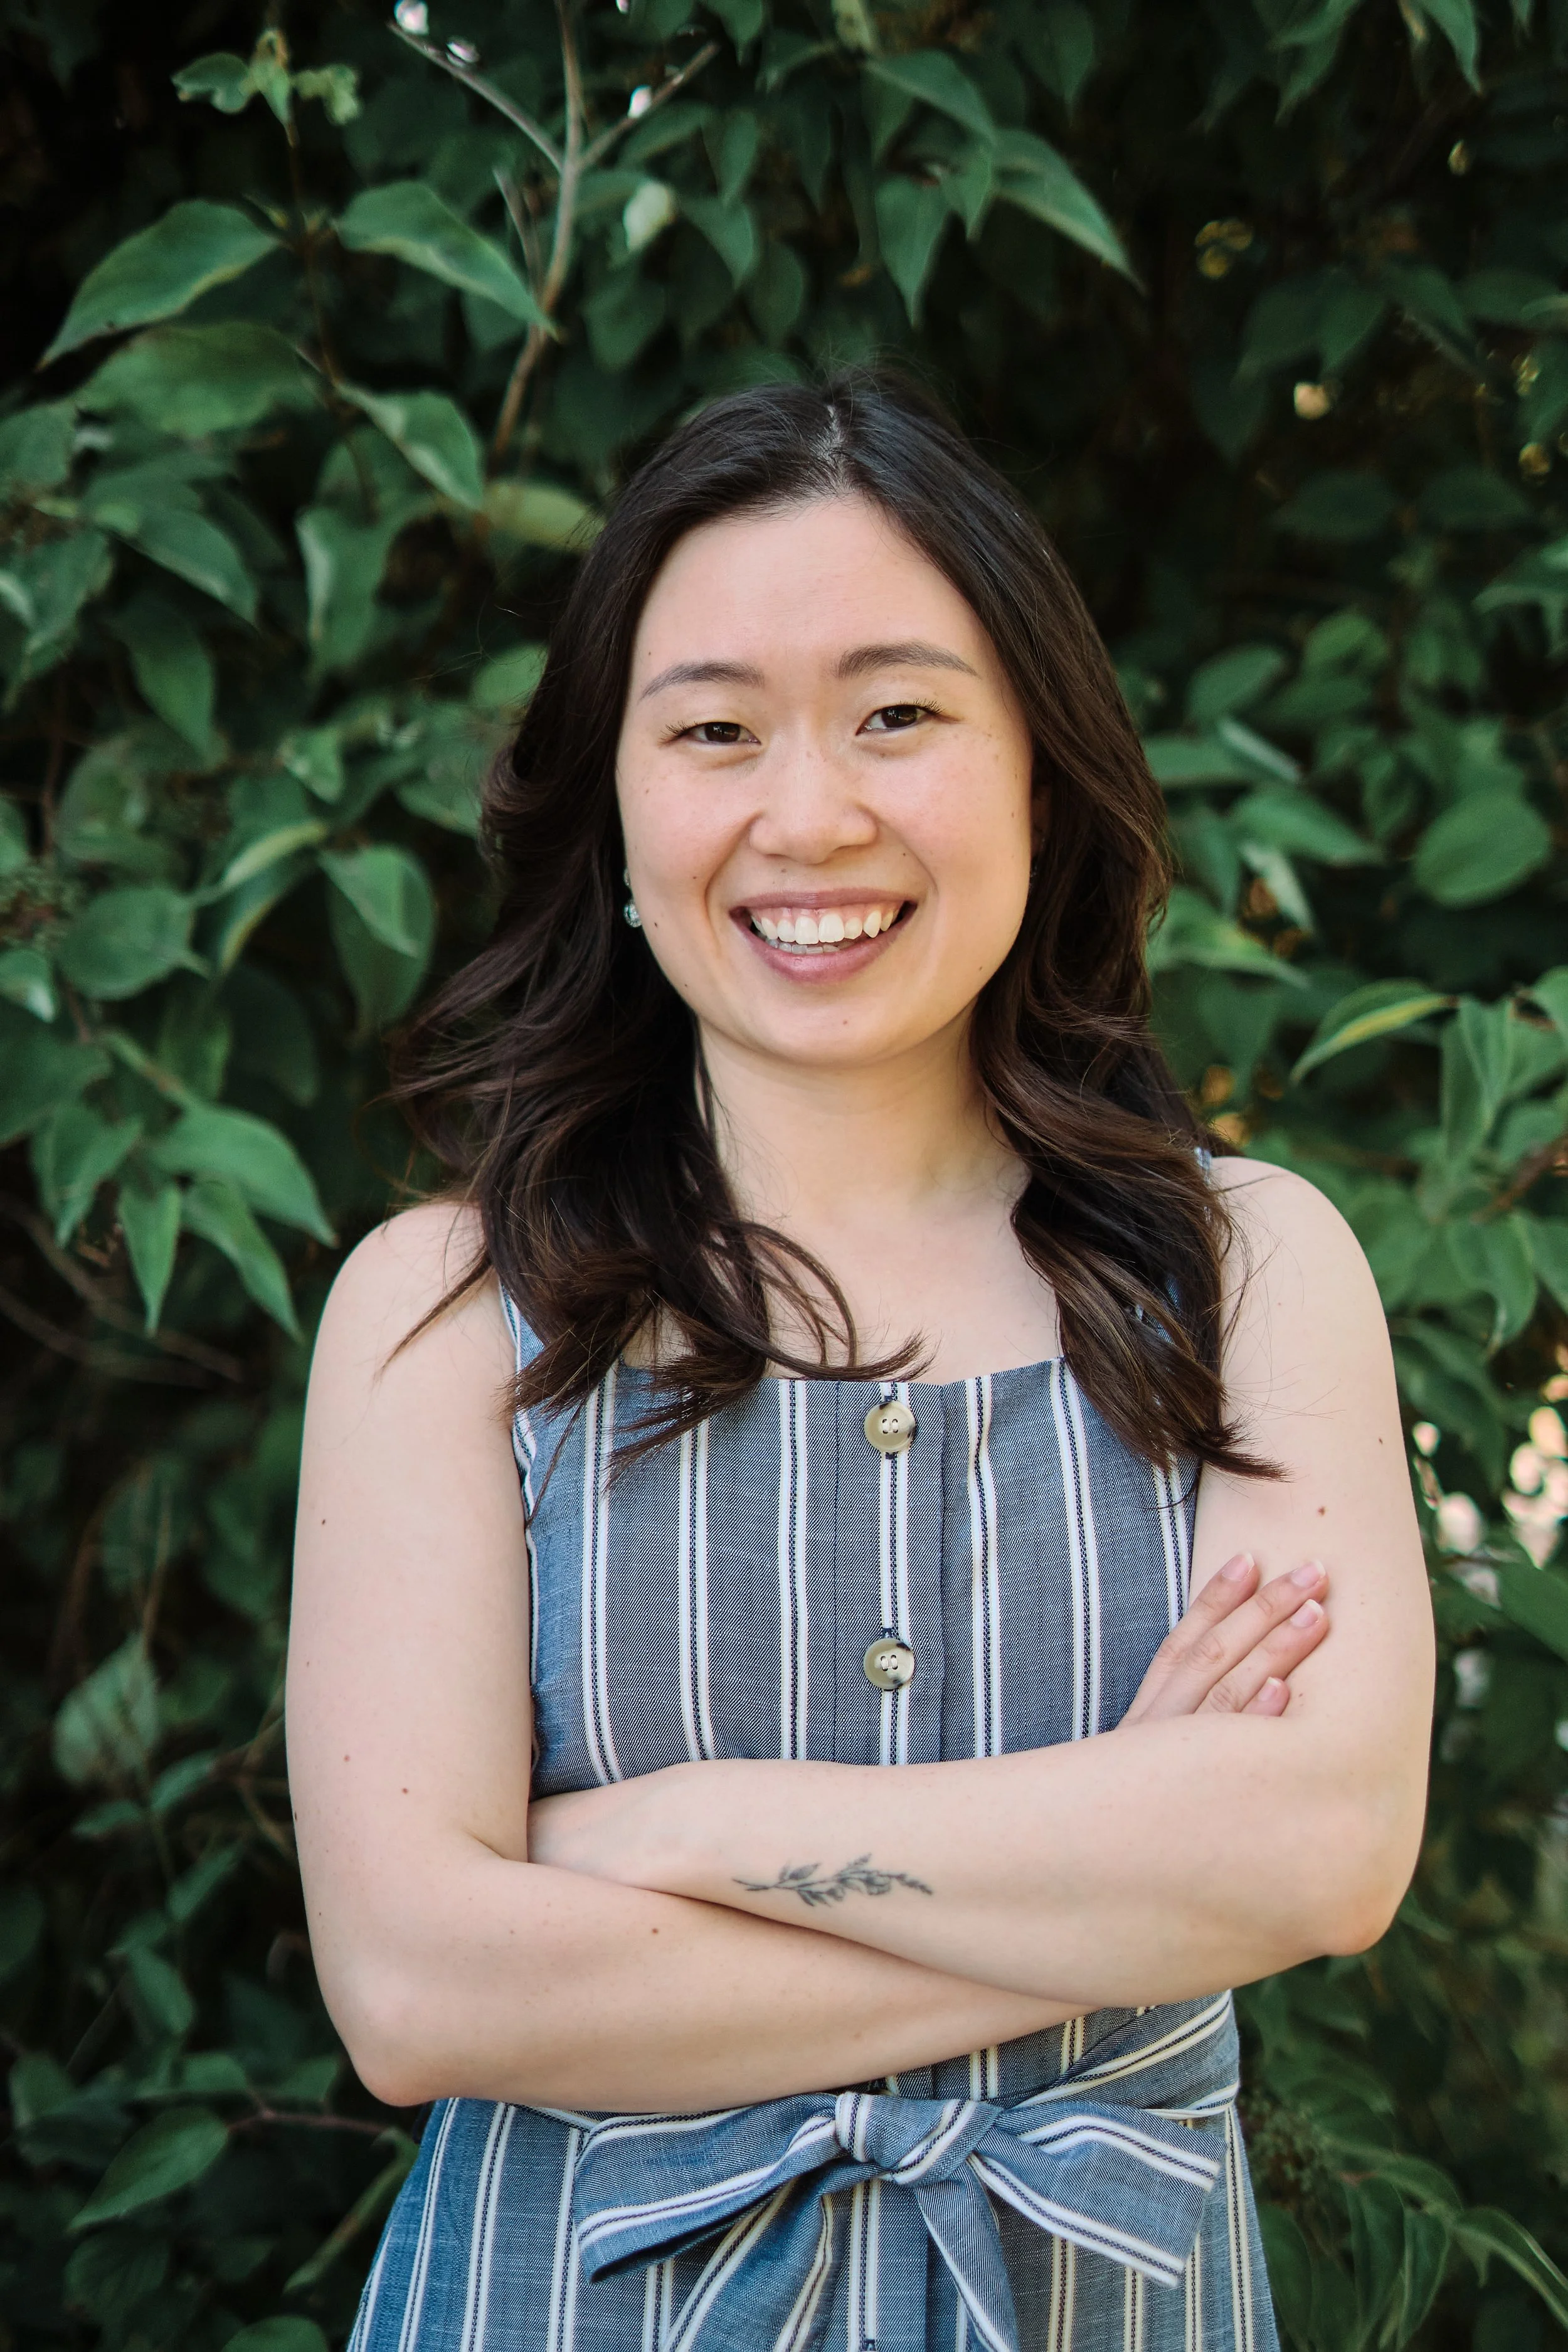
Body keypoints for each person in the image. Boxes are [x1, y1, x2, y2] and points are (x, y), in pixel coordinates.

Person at [287, 371, 1434, 2352]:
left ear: (1039, 770)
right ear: (617, 811)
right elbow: (421, 1993)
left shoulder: (1245, 1273)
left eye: (897, 713)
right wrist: (1125, 1867)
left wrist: (682, 1834)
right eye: (715, 730)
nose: (807, 815)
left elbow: (1319, 1851)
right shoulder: (446, 1312)